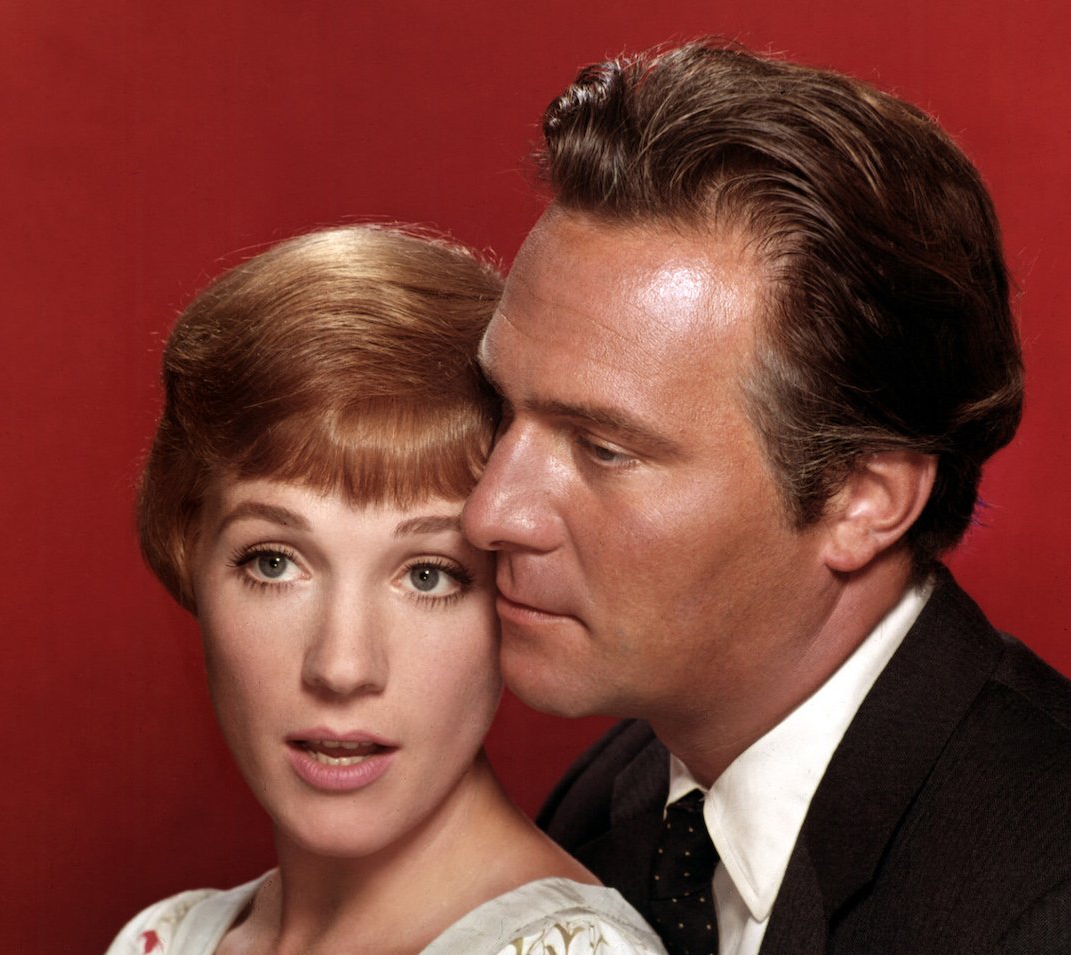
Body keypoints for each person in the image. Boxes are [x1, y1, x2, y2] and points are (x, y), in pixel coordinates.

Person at [462, 41, 1071, 954]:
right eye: (500, 410)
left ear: (864, 499)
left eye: (603, 447)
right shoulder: (620, 791)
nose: (490, 512)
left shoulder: (1044, 898)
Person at [106, 225, 667, 954]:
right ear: (191, 557)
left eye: (427, 575)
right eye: (274, 562)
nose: (342, 666)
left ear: (513, 589)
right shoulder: (162, 940)